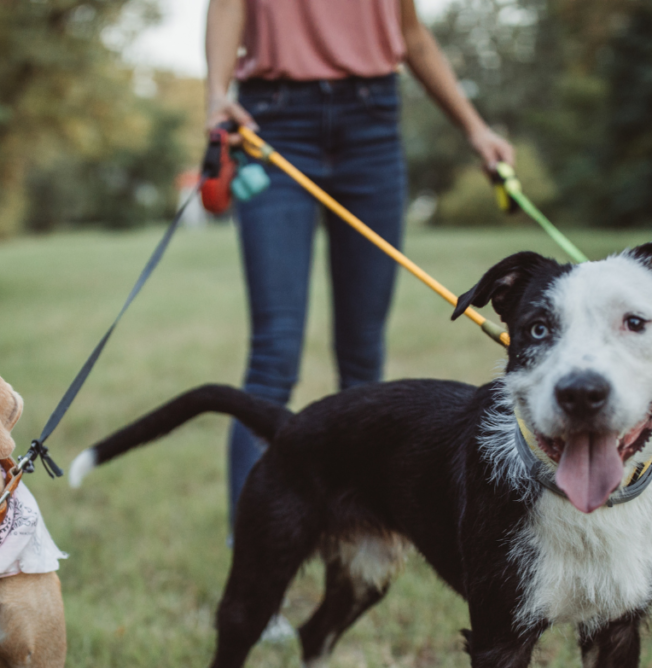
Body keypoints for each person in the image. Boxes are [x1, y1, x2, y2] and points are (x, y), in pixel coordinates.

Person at [206, 0, 515, 530]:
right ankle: (253, 562)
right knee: (274, 354)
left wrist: (474, 128)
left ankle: (354, 540)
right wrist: (216, 94)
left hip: (372, 123)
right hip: (272, 119)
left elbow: (411, 35)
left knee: (362, 359)